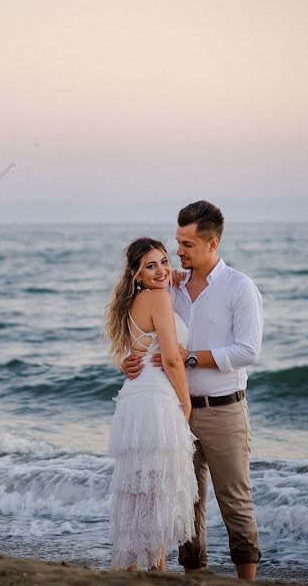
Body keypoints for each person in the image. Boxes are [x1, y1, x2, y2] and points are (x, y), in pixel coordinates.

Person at [123, 201, 263, 580]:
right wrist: (129, 360)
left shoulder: (240, 287)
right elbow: (145, 335)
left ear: (212, 243)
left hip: (223, 410)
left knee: (234, 501)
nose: (178, 252)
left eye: (186, 245)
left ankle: (246, 579)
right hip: (174, 411)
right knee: (187, 501)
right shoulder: (171, 287)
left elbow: (248, 350)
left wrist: (190, 359)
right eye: (177, 243)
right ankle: (193, 576)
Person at [104, 237, 197, 571]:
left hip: (134, 398)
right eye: (150, 265)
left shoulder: (133, 301)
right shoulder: (157, 298)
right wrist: (185, 404)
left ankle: (132, 567)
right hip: (158, 399)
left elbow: (134, 354)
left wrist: (169, 274)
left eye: (164, 261)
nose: (160, 270)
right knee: (158, 489)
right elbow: (171, 359)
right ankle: (157, 568)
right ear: (136, 274)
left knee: (138, 488)